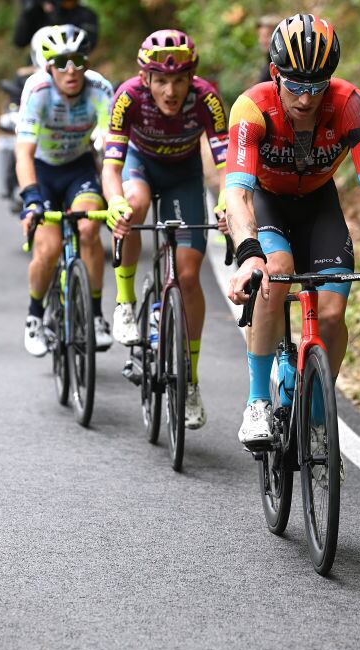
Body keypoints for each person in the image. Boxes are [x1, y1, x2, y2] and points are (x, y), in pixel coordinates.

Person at [224, 14, 360, 446]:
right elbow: (237, 192)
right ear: (275, 74)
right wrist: (249, 253)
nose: (306, 99)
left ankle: (320, 418)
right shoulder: (252, 106)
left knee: (330, 312)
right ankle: (257, 402)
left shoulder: (350, 105)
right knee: (275, 270)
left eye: (317, 85)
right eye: (295, 85)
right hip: (268, 201)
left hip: (319, 205)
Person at [102, 29, 230, 430]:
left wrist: (227, 201)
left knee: (189, 275)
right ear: (147, 80)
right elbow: (112, 165)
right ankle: (124, 302)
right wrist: (115, 202)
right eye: (161, 81)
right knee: (133, 207)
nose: (171, 91)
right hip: (141, 166)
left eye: (178, 80)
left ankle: (190, 381)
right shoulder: (128, 97)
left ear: (191, 77)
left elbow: (226, 163)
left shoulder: (207, 98)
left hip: (184, 175)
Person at [17, 24, 113, 355]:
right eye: (61, 62)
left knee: (89, 228)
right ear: (48, 67)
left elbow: (108, 145)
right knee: (48, 247)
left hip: (78, 168)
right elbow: (23, 153)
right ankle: (35, 316)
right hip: (42, 171)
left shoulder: (100, 88)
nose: (70, 70)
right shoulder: (38, 90)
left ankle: (97, 314)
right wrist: (30, 198)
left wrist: (115, 194)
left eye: (77, 60)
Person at [13, 0, 98, 55]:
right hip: (38, 67)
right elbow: (20, 41)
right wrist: (28, 12)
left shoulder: (86, 15)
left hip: (73, 63)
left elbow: (88, 44)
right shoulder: (40, 11)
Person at [256, 15, 276, 83]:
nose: (262, 41)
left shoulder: (283, 66)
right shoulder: (269, 62)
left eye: (267, 36)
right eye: (260, 36)